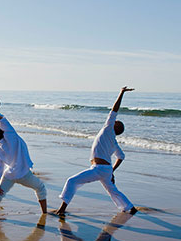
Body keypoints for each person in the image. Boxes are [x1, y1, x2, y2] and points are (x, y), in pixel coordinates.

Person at [55, 87, 137, 215]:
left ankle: (62, 209)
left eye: (115, 122)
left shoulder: (108, 129)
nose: (113, 120)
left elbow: (114, 110)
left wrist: (121, 93)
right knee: (113, 191)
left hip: (99, 169)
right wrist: (112, 171)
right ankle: (131, 208)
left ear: (115, 126)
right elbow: (121, 157)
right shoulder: (113, 142)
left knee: (72, 181)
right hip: (106, 169)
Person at [0, 110, 47, 217]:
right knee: (40, 188)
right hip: (24, 173)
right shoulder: (12, 136)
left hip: (9, 174)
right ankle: (45, 213)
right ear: (2, 130)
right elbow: (0, 119)